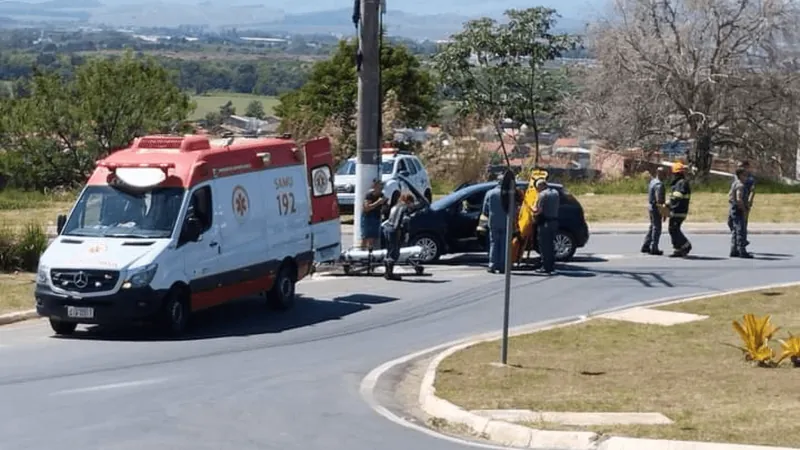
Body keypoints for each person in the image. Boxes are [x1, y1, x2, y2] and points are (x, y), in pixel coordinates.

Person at [381, 191, 415, 280]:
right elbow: (400, 221)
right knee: (394, 252)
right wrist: (402, 233)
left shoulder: (395, 206)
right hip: (395, 230)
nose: (412, 205)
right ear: (408, 201)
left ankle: (387, 272)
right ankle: (390, 274)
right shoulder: (404, 208)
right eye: (412, 202)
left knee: (389, 251)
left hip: (387, 229)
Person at [533, 178, 559, 274]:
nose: (537, 190)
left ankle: (545, 267)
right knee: (551, 245)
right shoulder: (555, 193)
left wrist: (533, 209)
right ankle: (551, 266)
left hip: (545, 223)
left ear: (541, 186)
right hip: (554, 222)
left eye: (537, 188)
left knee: (544, 246)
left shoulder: (543, 195)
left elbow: (538, 210)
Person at [667, 162, 692, 257]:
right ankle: (678, 249)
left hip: (679, 210)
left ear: (676, 173)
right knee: (672, 229)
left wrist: (669, 202)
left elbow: (678, 196)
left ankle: (686, 245)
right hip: (677, 210)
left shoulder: (681, 183)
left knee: (674, 229)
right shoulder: (679, 183)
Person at [728, 167, 753, 258]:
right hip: (738, 209)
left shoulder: (734, 183)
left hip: (732, 208)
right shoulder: (740, 186)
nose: (746, 177)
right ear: (740, 176)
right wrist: (744, 209)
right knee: (740, 230)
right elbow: (739, 199)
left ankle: (733, 249)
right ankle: (742, 251)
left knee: (735, 230)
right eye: (745, 175)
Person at [481, 181, 505, 274]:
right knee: (504, 244)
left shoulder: (490, 193)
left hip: (493, 222)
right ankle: (503, 266)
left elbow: (485, 210)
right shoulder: (507, 194)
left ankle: (492, 265)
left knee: (494, 243)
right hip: (505, 222)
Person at [641, 166, 666, 255]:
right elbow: (659, 199)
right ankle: (654, 247)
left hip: (650, 206)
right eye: (663, 173)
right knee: (657, 227)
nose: (665, 175)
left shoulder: (652, 182)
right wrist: (663, 211)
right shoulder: (659, 184)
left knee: (652, 226)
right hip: (656, 208)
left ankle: (646, 245)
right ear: (658, 173)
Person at [361, 179, 386, 250]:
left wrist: (384, 205)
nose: (381, 188)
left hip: (376, 217)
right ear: (375, 186)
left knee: (373, 238)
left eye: (382, 186)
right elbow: (366, 208)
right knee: (366, 237)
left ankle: (370, 253)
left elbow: (383, 207)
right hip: (368, 217)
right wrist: (378, 202)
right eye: (379, 186)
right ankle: (361, 252)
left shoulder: (382, 195)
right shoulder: (369, 195)